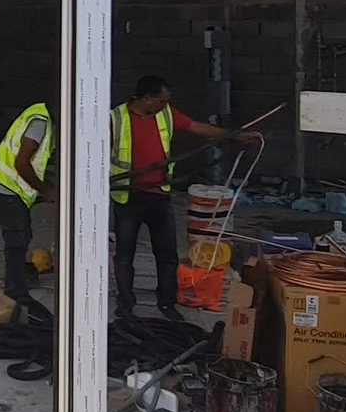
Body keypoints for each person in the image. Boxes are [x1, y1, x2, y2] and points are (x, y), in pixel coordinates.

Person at [111, 76, 259, 316]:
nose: (165, 105)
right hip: (128, 198)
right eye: (161, 101)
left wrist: (233, 136)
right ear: (146, 99)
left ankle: (167, 302)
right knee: (125, 254)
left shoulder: (165, 114)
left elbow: (196, 127)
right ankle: (126, 303)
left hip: (159, 195)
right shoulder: (115, 119)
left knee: (167, 253)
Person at [0, 101, 52, 319]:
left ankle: (20, 280)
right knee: (16, 238)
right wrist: (44, 188)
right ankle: (15, 293)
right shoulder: (40, 123)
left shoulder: (41, 114)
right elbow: (22, 163)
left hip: (12, 186)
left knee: (23, 234)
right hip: (5, 185)